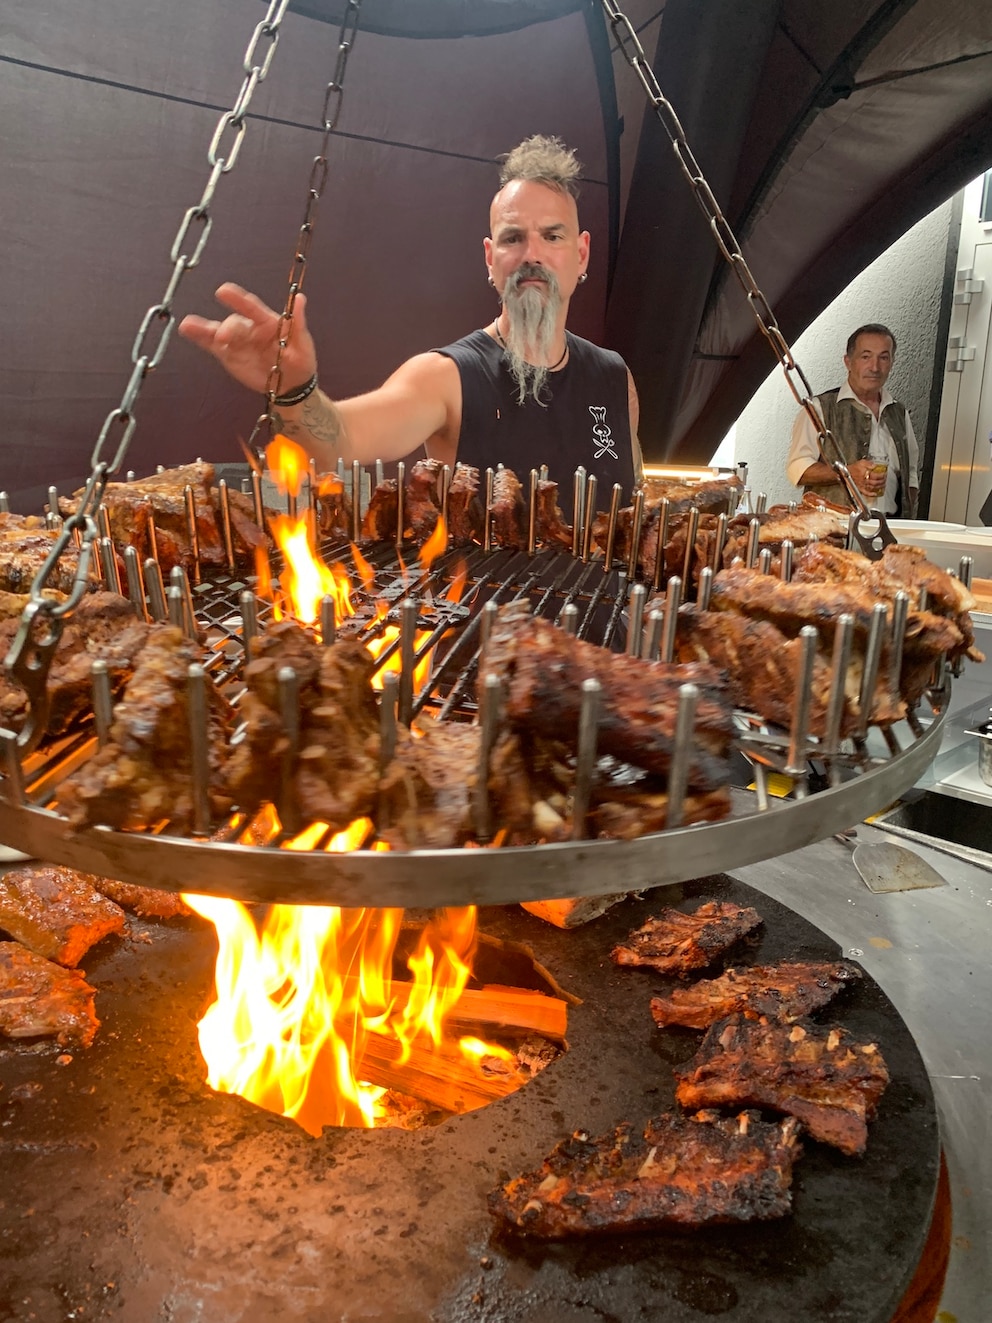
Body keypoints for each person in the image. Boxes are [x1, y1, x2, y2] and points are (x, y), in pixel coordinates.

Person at [178, 135, 643, 505]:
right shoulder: (446, 378)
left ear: (581, 254)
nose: (532, 254)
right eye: (513, 238)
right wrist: (293, 390)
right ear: (490, 258)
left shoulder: (614, 379)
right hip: (485, 623)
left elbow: (633, 503)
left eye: (552, 236)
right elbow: (339, 442)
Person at [784, 324, 919, 518]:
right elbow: (797, 468)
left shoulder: (900, 413)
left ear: (892, 362)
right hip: (834, 529)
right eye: (866, 357)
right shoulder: (820, 408)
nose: (875, 367)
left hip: (889, 529)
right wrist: (845, 473)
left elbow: (911, 476)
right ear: (848, 362)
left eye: (883, 357)